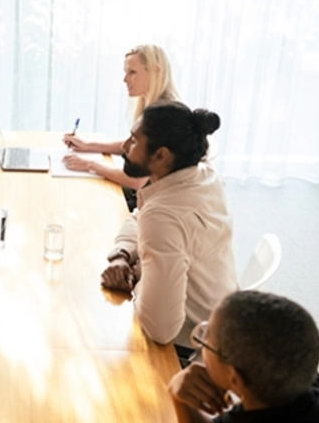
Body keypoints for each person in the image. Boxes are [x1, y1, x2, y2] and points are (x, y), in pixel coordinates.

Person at [101, 101, 236, 350]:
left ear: (161, 155)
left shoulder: (164, 215)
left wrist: (138, 274)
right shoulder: (203, 176)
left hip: (192, 344)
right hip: (224, 316)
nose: (123, 147)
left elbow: (160, 329)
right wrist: (122, 255)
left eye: (133, 140)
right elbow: (139, 217)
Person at [168, 291, 319, 422]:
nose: (202, 340)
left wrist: (178, 397)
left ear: (235, 380)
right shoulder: (318, 391)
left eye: (206, 340)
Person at [62, 45, 180, 209]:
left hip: (152, 206)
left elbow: (136, 181)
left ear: (156, 72)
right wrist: (88, 146)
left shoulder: (165, 116)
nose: (125, 79)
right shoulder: (157, 106)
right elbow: (133, 144)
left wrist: (89, 165)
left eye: (132, 72)